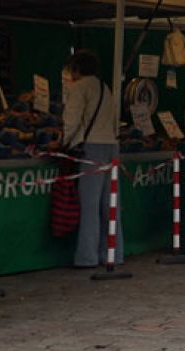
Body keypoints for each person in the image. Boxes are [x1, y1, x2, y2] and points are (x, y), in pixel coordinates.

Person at [59, 50, 120, 269]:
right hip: (111, 145)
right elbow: (114, 120)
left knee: (90, 204)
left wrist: (63, 143)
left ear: (76, 69)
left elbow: (72, 120)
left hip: (91, 148)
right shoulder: (105, 88)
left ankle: (87, 257)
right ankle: (113, 253)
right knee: (110, 203)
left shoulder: (79, 87)